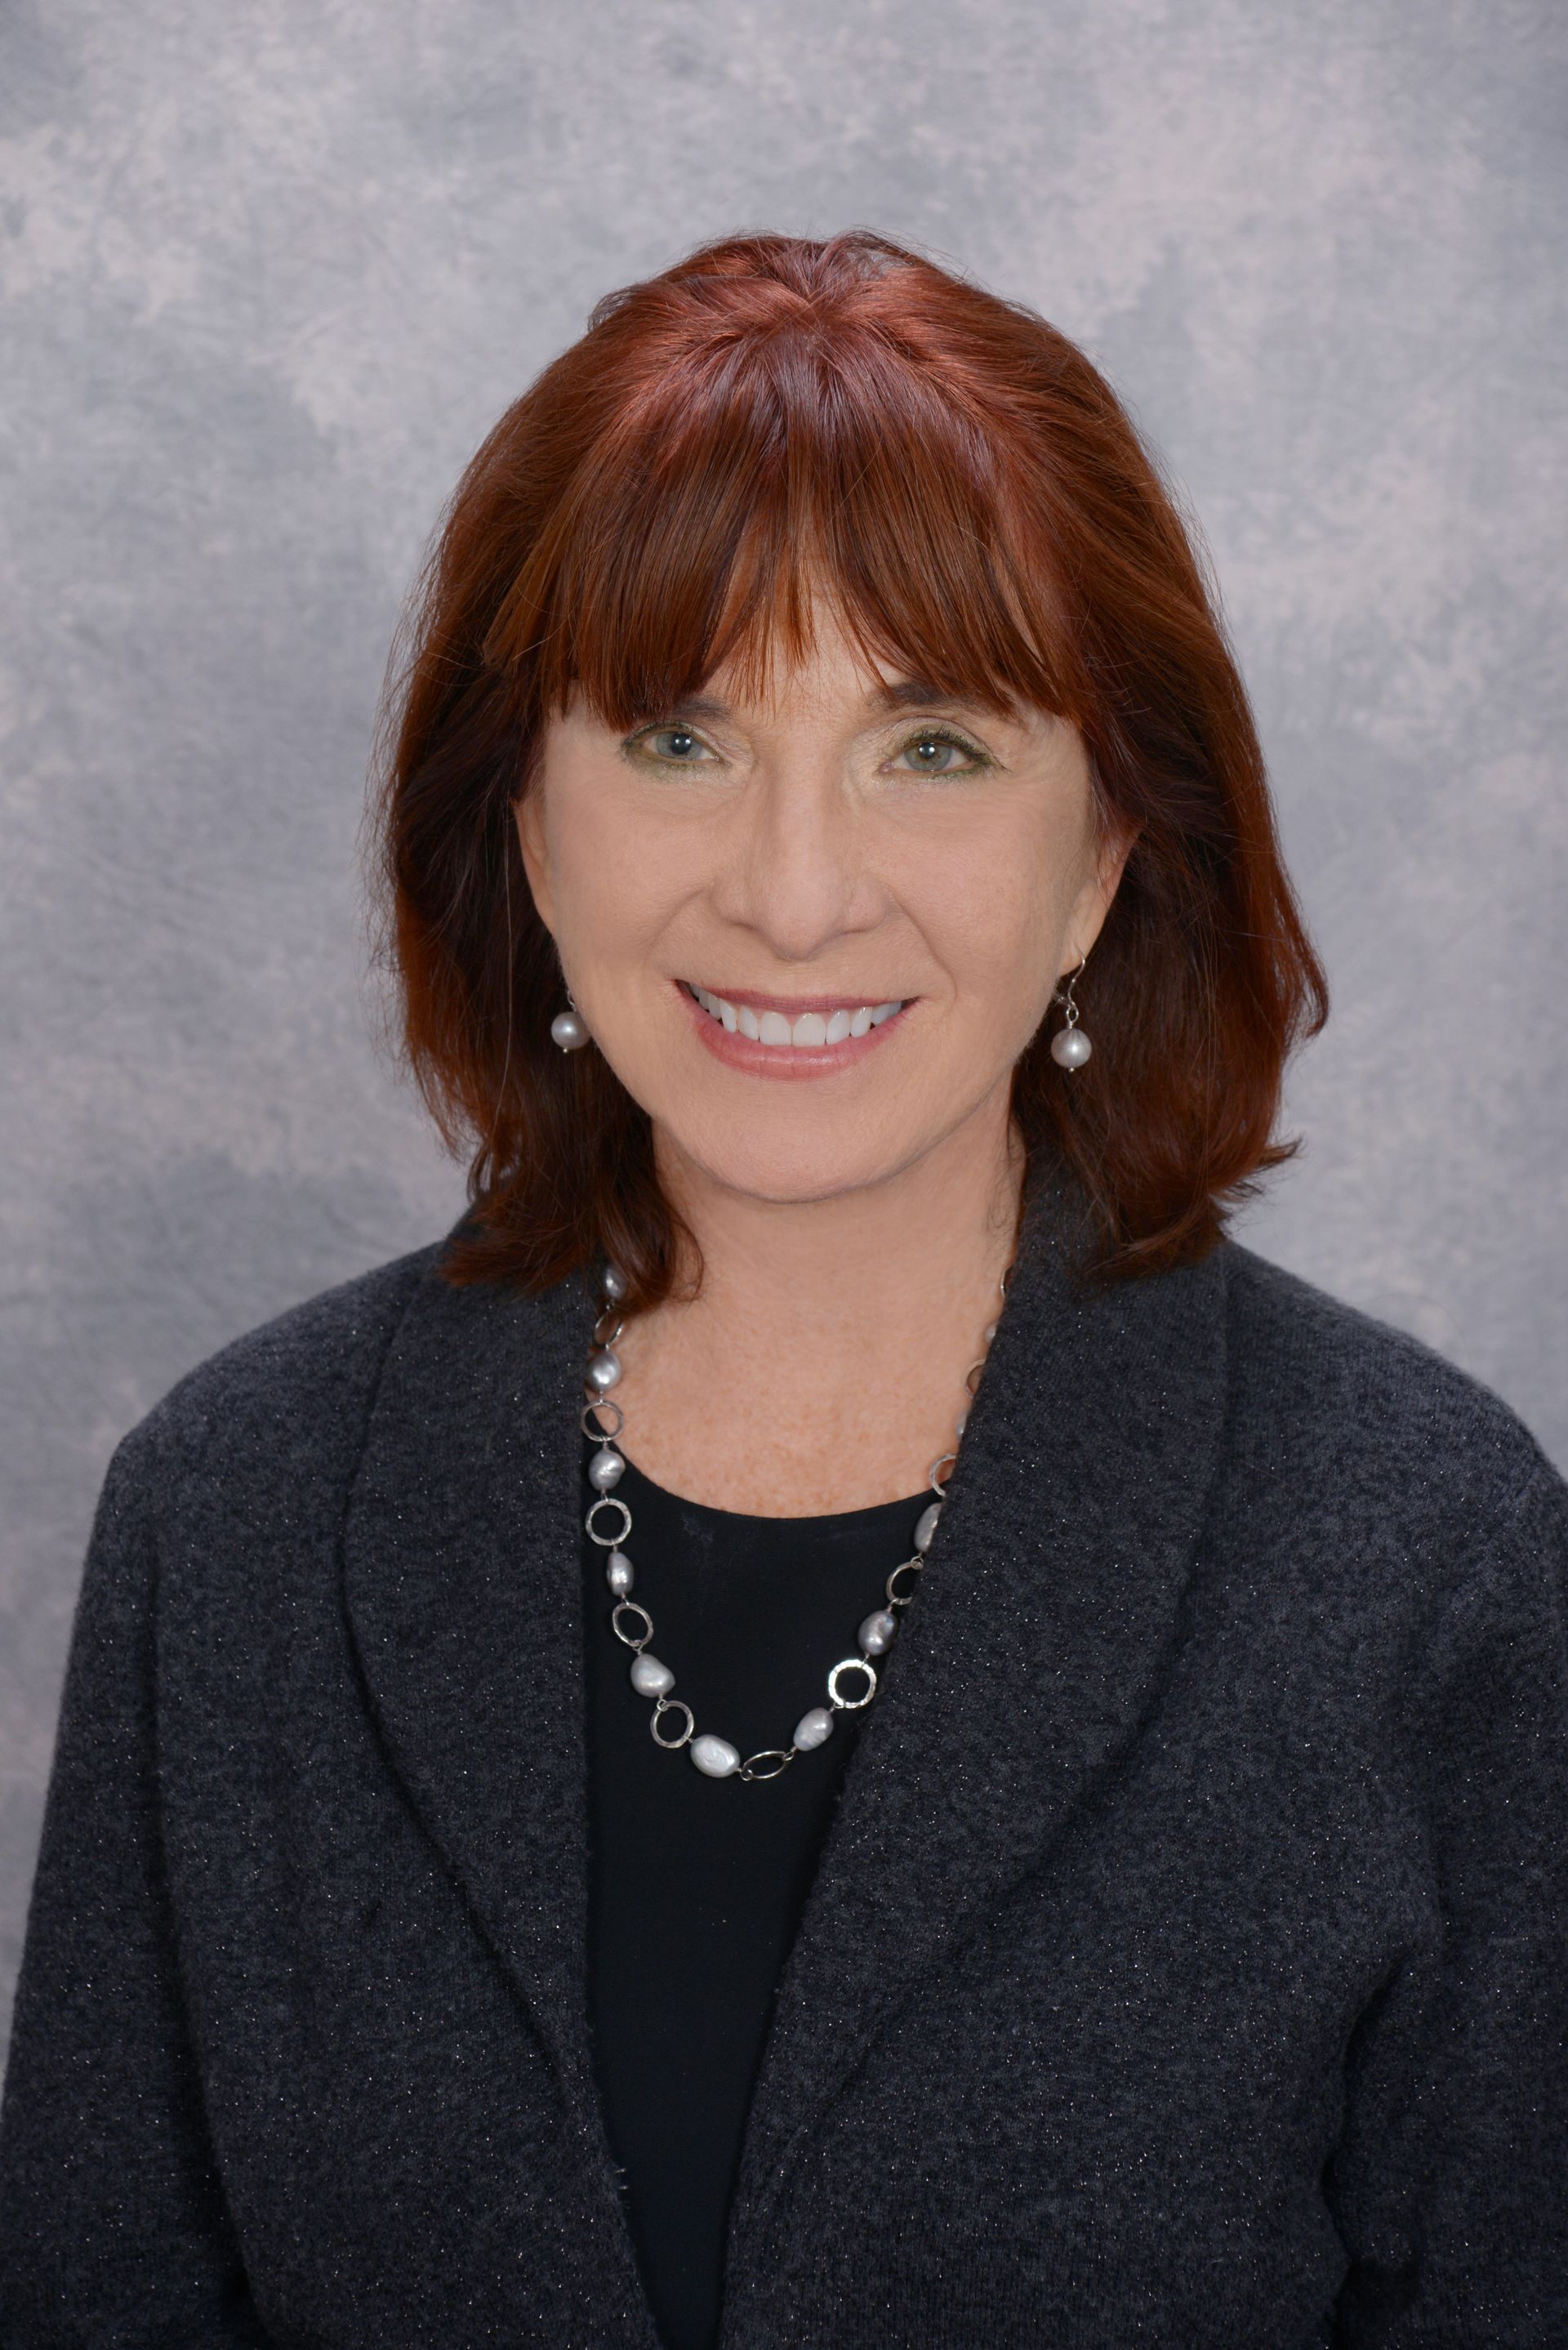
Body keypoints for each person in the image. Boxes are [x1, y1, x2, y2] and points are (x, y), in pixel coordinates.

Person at [1, 229, 1563, 2350]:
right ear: (532, 832)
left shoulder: (1427, 1565)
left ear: (1104, 852)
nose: (796, 893)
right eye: (677, 738)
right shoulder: (232, 1516)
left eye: (933, 747)